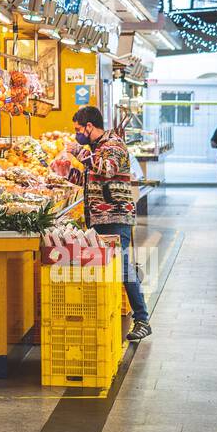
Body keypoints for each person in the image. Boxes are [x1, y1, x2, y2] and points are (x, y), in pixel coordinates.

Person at [72, 106, 151, 342]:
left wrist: (78, 153)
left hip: (115, 217)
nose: (76, 134)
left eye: (78, 129)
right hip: (99, 217)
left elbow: (107, 171)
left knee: (124, 267)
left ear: (89, 126)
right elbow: (93, 178)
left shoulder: (113, 144)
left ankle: (142, 319)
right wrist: (67, 174)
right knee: (112, 268)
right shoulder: (96, 148)